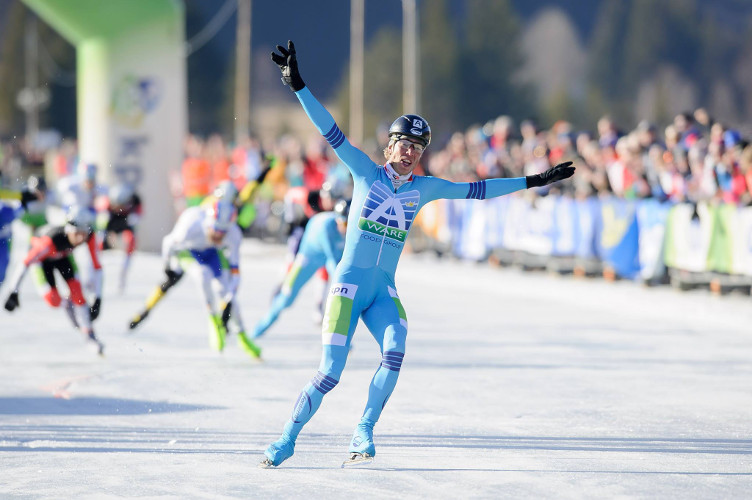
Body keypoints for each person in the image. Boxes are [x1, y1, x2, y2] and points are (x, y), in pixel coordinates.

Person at [259, 41, 575, 468]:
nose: (409, 152)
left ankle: (364, 429)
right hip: (349, 290)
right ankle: (286, 439)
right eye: (403, 144)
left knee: (396, 348)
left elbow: (477, 191)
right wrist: (297, 85)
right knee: (330, 375)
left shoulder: (425, 189)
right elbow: (329, 130)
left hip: (382, 292)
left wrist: (533, 180)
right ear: (389, 146)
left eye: (417, 148)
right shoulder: (365, 171)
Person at [128, 190, 261, 359]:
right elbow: (168, 243)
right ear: (209, 222)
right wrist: (166, 267)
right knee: (198, 275)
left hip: (211, 252)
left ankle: (241, 334)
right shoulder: (191, 224)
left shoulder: (233, 232)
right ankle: (211, 319)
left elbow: (235, 272)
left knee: (225, 290)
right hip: (187, 251)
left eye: (223, 233)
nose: (219, 236)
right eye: (216, 231)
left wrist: (228, 301)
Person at [3, 206, 105, 355]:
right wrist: (14, 291)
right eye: (77, 234)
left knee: (77, 292)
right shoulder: (48, 242)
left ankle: (89, 335)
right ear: (69, 230)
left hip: (62, 256)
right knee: (53, 300)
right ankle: (67, 305)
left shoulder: (89, 236)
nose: (80, 239)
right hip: (42, 262)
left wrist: (98, 299)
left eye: (84, 234)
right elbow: (24, 263)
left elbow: (97, 267)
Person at [251, 199, 349, 339]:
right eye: (344, 223)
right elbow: (333, 261)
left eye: (349, 224)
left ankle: (342, 338)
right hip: (307, 259)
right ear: (337, 220)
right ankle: (256, 332)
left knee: (341, 294)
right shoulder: (326, 226)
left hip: (326, 258)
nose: (345, 229)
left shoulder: (348, 227)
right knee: (286, 300)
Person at [101, 183, 142, 292]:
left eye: (121, 205)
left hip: (125, 221)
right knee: (100, 242)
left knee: (131, 240)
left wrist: (135, 217)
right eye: (116, 205)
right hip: (112, 221)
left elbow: (138, 215)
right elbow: (101, 224)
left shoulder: (135, 201)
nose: (118, 207)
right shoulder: (107, 204)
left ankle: (124, 272)